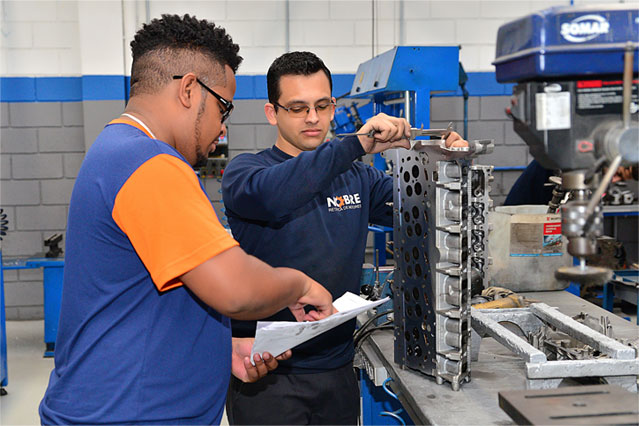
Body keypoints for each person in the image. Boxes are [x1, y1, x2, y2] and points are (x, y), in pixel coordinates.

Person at [39, 16, 335, 425]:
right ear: (190, 88)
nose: (222, 127)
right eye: (223, 107)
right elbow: (235, 288)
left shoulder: (117, 150)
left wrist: (221, 351)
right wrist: (297, 285)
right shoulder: (150, 164)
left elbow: (149, 296)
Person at [222, 51, 467, 425]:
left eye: (322, 105)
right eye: (298, 108)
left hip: (336, 371)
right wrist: (356, 144)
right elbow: (280, 194)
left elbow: (422, 208)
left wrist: (446, 161)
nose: (313, 118)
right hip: (267, 376)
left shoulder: (357, 178)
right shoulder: (247, 173)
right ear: (272, 113)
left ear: (334, 105)